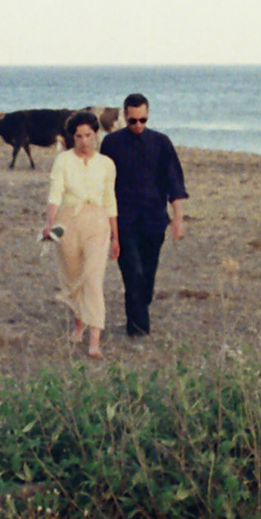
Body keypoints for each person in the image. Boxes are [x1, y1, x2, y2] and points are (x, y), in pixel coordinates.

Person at [99, 93, 188, 339]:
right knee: (133, 275)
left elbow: (174, 182)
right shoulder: (111, 144)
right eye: (133, 120)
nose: (138, 125)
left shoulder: (161, 143)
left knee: (147, 278)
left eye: (143, 120)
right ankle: (138, 331)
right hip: (124, 221)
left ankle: (139, 313)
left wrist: (178, 218)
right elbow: (103, 186)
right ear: (124, 116)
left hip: (154, 221)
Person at [40, 111, 118, 360]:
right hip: (68, 221)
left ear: (96, 135)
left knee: (93, 279)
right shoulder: (63, 160)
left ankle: (95, 340)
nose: (84, 141)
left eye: (89, 135)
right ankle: (79, 326)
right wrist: (50, 223)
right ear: (72, 137)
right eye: (79, 136)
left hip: (97, 221)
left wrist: (116, 237)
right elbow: (55, 194)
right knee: (72, 275)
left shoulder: (106, 164)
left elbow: (110, 201)